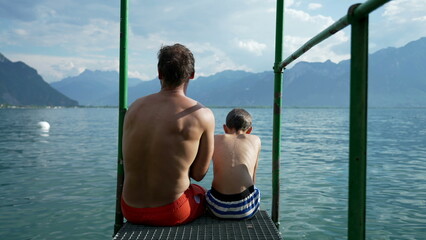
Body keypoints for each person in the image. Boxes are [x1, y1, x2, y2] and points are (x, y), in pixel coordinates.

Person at [121, 43, 215, 226]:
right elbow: (199, 173)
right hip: (172, 211)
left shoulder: (134, 108)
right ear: (192, 74)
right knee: (202, 193)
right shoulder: (202, 114)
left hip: (129, 209)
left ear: (159, 73)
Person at [206, 108, 261, 220]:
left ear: (225, 128)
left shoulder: (214, 139)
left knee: (203, 192)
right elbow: (253, 178)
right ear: (250, 130)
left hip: (217, 207)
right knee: (256, 190)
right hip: (245, 209)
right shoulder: (255, 140)